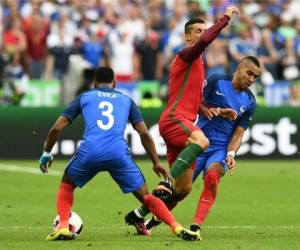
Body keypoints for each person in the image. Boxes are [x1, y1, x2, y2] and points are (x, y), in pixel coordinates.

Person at [39, 67, 200, 241]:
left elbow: (57, 128)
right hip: (118, 153)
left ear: (94, 83)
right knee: (146, 196)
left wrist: (46, 153)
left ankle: (63, 227)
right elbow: (144, 133)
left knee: (67, 186)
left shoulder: (85, 97)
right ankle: (176, 227)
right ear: (114, 83)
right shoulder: (126, 100)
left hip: (90, 151)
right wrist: (156, 162)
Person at [125, 6, 239, 235]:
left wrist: (208, 110)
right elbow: (205, 42)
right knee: (202, 141)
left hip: (184, 122)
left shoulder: (198, 64)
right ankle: (166, 182)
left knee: (183, 189)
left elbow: (191, 96)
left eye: (203, 31)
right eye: (197, 31)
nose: (201, 34)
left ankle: (138, 215)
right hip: (174, 119)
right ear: (188, 36)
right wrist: (225, 19)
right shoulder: (186, 54)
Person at [135, 56, 261, 239]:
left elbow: (238, 133)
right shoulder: (216, 80)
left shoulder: (250, 102)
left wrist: (231, 154)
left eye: (255, 77)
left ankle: (196, 226)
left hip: (219, 149)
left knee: (212, 176)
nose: (251, 79)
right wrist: (213, 110)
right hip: (197, 142)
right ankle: (144, 218)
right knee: (178, 191)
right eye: (249, 73)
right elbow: (194, 102)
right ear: (239, 69)